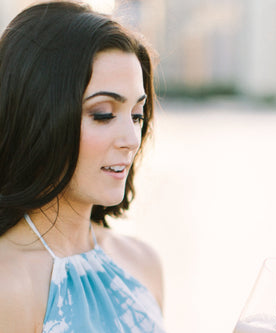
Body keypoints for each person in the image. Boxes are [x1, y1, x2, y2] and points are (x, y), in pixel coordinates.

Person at [0, 1, 166, 332]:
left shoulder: (142, 263)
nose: (131, 139)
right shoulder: (9, 285)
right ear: (37, 117)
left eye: (136, 115)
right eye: (103, 113)